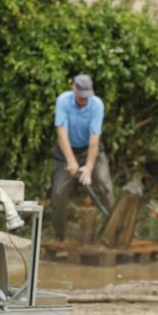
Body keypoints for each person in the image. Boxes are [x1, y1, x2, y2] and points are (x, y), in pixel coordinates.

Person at [50, 74, 115, 240]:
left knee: (105, 186)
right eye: (81, 96)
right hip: (67, 152)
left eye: (86, 96)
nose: (83, 100)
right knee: (58, 194)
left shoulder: (96, 105)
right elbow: (62, 134)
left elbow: (94, 139)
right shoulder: (63, 101)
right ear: (74, 89)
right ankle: (60, 238)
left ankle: (114, 232)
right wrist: (71, 161)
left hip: (91, 151)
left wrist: (88, 167)